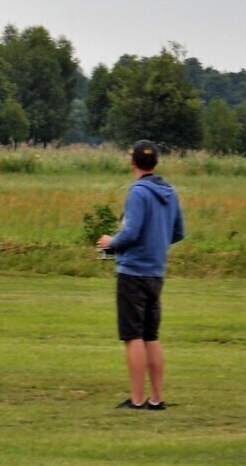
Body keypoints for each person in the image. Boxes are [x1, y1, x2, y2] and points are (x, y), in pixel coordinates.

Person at [96, 140, 185, 411]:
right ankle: (156, 398)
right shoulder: (169, 191)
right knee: (151, 336)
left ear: (132, 162)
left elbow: (131, 232)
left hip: (132, 271)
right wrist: (155, 244)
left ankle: (136, 400)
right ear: (155, 163)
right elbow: (178, 232)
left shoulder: (137, 192)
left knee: (132, 336)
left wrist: (110, 242)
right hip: (156, 272)